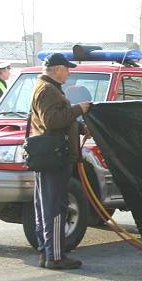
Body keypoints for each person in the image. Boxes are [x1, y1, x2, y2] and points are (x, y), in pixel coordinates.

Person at [29, 53, 91, 270]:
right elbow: (52, 121)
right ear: (57, 69)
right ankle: (55, 256)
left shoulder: (47, 88)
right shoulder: (48, 90)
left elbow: (59, 118)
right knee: (55, 208)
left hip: (50, 157)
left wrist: (81, 128)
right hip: (54, 158)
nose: (69, 72)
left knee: (46, 206)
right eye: (67, 68)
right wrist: (79, 110)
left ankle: (47, 253)